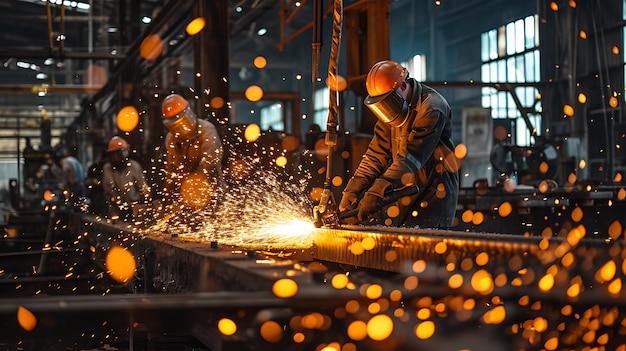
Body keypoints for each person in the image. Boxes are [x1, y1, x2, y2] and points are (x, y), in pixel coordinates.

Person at [339, 60, 459, 228]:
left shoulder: (432, 107)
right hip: (405, 192)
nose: (385, 109)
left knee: (424, 251)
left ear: (402, 85)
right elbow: (376, 153)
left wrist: (377, 190)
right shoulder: (390, 111)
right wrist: (354, 187)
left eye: (387, 101)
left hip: (434, 195)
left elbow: (410, 158)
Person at [161, 93, 225, 210]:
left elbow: (211, 160)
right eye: (175, 126)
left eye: (182, 123)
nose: (181, 129)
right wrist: (169, 191)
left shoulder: (207, 129)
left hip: (213, 190)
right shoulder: (171, 139)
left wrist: (195, 181)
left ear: (189, 114)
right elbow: (173, 167)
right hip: (186, 197)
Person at [101, 136, 151, 221]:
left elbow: (144, 189)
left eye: (118, 154)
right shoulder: (107, 169)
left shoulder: (134, 166)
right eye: (113, 155)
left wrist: (142, 204)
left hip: (135, 209)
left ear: (126, 151)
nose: (116, 158)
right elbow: (108, 192)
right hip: (116, 210)